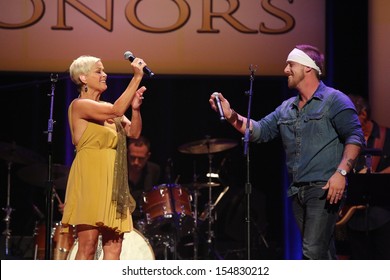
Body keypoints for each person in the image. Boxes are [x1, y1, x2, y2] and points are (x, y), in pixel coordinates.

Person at [209, 44, 365, 259]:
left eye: (291, 64)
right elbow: (259, 131)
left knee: (311, 252)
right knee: (323, 253)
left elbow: (356, 137)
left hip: (324, 188)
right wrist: (230, 115)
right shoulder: (286, 107)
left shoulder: (334, 100)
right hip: (297, 191)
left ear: (308, 68)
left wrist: (341, 173)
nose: (285, 70)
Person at [61, 54, 148, 260]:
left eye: (103, 71)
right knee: (88, 246)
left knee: (114, 247)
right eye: (98, 71)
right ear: (83, 78)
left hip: (113, 182)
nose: (104, 75)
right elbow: (117, 109)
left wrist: (135, 110)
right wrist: (136, 78)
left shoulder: (108, 109)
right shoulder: (80, 105)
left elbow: (133, 134)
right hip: (91, 178)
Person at [345, 94, 390, 259]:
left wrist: (373, 176)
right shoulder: (347, 139)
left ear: (363, 114)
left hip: (383, 216)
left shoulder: (387, 136)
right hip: (352, 217)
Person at [127, 136, 161, 222]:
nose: (136, 162)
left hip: (144, 220)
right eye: (132, 157)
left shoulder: (154, 170)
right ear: (127, 153)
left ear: (148, 156)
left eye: (141, 159)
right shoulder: (118, 170)